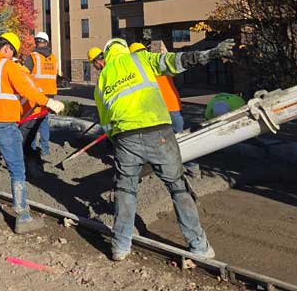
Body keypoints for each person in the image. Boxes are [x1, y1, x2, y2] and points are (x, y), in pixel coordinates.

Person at [95, 37, 235, 261]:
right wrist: (210, 54)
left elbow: (105, 122)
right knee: (177, 187)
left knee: (125, 190)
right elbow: (174, 60)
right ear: (123, 48)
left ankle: (120, 246)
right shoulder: (139, 59)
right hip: (158, 132)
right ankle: (199, 246)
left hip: (125, 138)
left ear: (106, 55)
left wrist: (118, 140)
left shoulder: (102, 79)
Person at [0, 33, 64, 233]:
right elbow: (25, 89)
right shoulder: (8, 66)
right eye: (12, 51)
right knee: (17, 171)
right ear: (7, 48)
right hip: (5, 127)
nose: (12, 55)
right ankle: (23, 218)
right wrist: (48, 102)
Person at [129, 42, 198, 178]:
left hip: (160, 110)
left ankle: (155, 169)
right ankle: (193, 167)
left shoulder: (142, 69)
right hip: (175, 106)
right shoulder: (158, 62)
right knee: (180, 138)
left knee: (157, 140)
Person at [25, 32, 58, 160]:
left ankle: (32, 148)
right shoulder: (53, 58)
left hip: (36, 95)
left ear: (36, 41)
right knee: (44, 122)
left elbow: (25, 75)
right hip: (50, 95)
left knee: (32, 122)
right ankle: (45, 149)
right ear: (47, 42)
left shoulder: (32, 57)